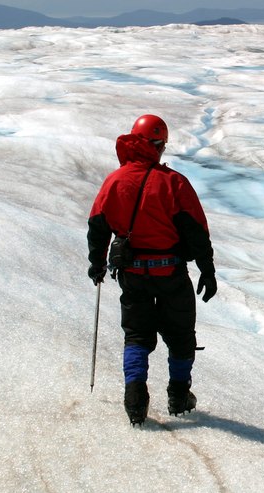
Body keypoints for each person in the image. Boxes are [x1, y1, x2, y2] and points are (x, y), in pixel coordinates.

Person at [87, 114, 217, 426]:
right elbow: (196, 232)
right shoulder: (173, 183)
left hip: (132, 275)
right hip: (171, 274)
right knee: (181, 337)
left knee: (136, 336)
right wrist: (207, 270)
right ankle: (178, 395)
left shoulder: (113, 182)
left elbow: (97, 225)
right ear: (157, 145)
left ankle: (135, 399)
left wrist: (97, 263)